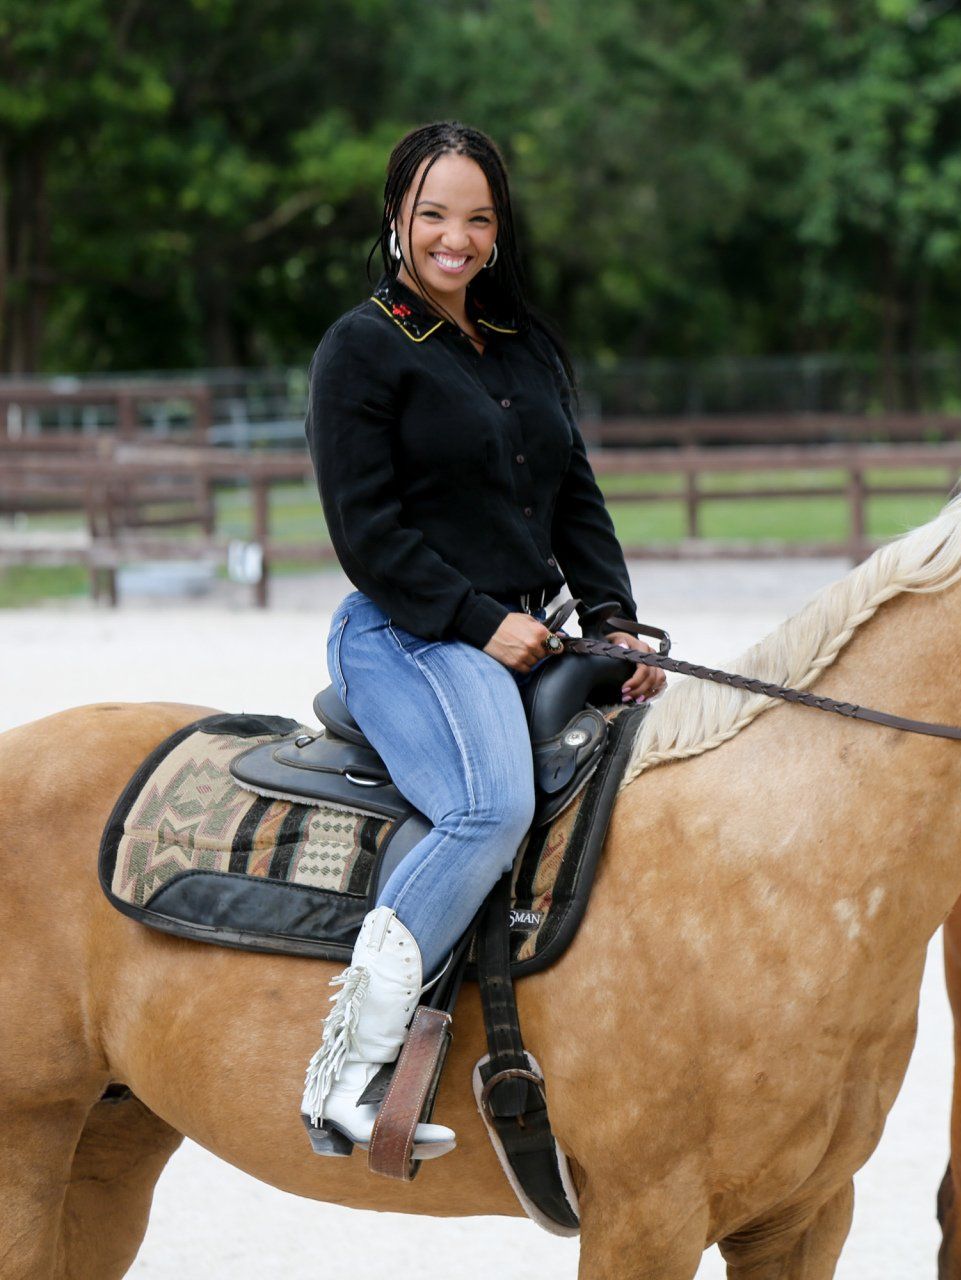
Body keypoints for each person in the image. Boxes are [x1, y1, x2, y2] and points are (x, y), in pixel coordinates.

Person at [298, 121, 666, 1157]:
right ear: (396, 220)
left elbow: (575, 495)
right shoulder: (360, 348)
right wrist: (478, 621)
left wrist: (613, 618)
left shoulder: (523, 347)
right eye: (433, 216)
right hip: (408, 630)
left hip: (525, 630)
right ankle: (347, 1071)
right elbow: (367, 533)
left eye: (477, 218)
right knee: (486, 804)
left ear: (498, 230)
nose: (454, 238)